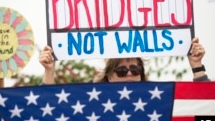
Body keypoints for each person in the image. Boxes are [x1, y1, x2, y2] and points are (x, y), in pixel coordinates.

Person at [39, 37, 210, 84]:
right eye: (121, 71)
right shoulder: (91, 101)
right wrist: (49, 71)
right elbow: (49, 111)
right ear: (109, 76)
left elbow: (202, 111)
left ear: (141, 75)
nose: (129, 73)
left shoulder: (159, 100)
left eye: (135, 70)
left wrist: (196, 65)